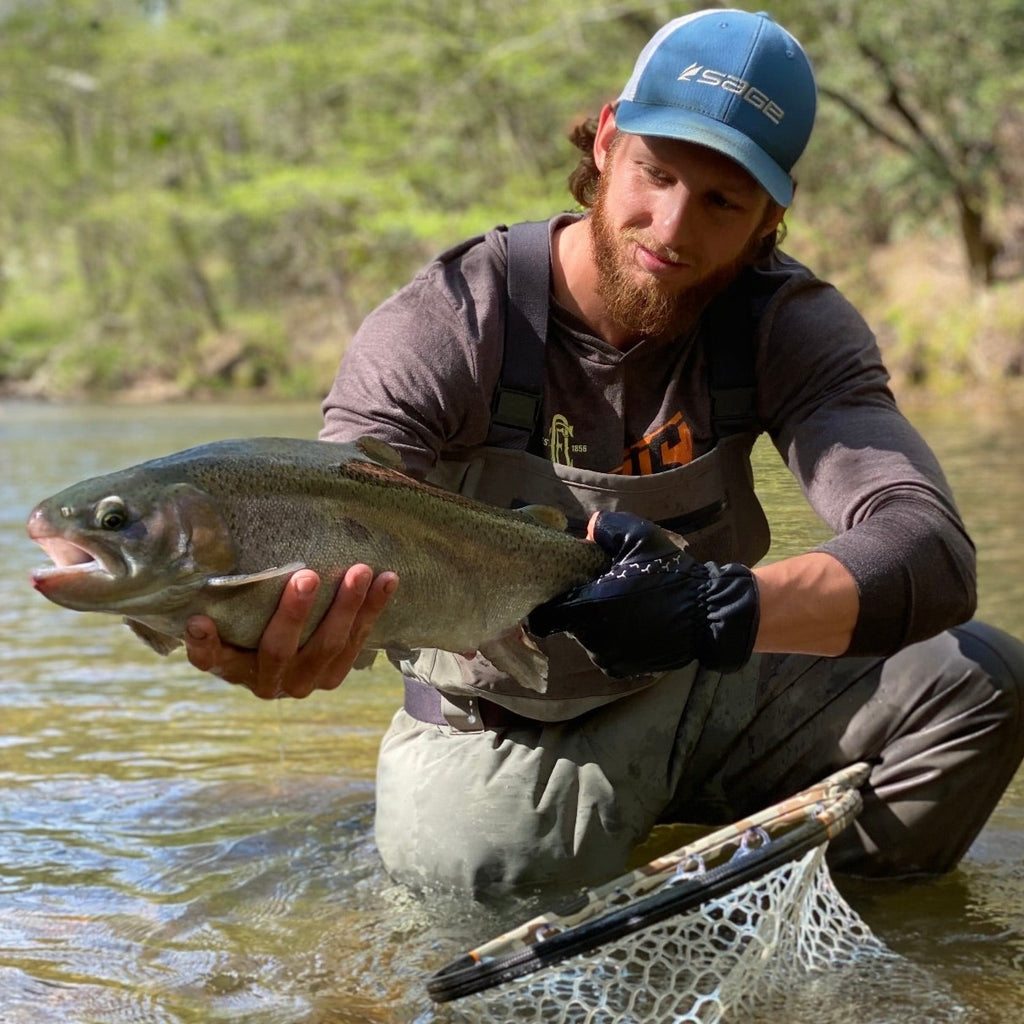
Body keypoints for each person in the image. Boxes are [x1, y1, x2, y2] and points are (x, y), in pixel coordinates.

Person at [183, 9, 1024, 895]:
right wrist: (281, 627)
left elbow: (928, 553)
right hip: (496, 721)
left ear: (770, 215)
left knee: (977, 685)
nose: (672, 227)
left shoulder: (787, 324)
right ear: (608, 142)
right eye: (656, 174)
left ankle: (797, 928)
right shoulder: (452, 320)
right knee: (484, 870)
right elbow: (335, 501)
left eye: (722, 202)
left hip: (701, 683)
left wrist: (712, 608)